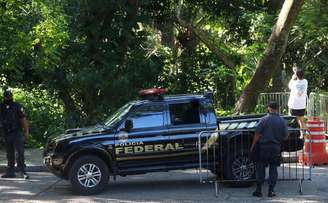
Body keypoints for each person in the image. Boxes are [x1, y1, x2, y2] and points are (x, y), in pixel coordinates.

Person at [250, 101, 288, 197]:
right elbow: (285, 136)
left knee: (260, 168)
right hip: (275, 148)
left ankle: (259, 190)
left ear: (269, 108)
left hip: (263, 147)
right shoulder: (282, 121)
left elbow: (257, 134)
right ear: (277, 108)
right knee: (273, 168)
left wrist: (253, 145)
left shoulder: (264, 119)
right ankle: (271, 191)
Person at [0, 88, 29, 179]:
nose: (8, 98)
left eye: (10, 97)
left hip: (17, 132)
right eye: (7, 97)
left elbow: (23, 119)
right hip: (6, 133)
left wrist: (26, 131)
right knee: (9, 153)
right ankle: (10, 171)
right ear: (4, 97)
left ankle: (22, 171)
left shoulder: (17, 106)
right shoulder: (1, 107)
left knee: (19, 152)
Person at [288, 67, 308, 135]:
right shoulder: (305, 81)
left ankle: (296, 135)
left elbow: (289, 86)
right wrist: (296, 73)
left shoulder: (294, 83)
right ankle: (303, 135)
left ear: (297, 75)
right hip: (302, 105)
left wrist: (293, 76)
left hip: (293, 105)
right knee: (301, 121)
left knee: (293, 120)